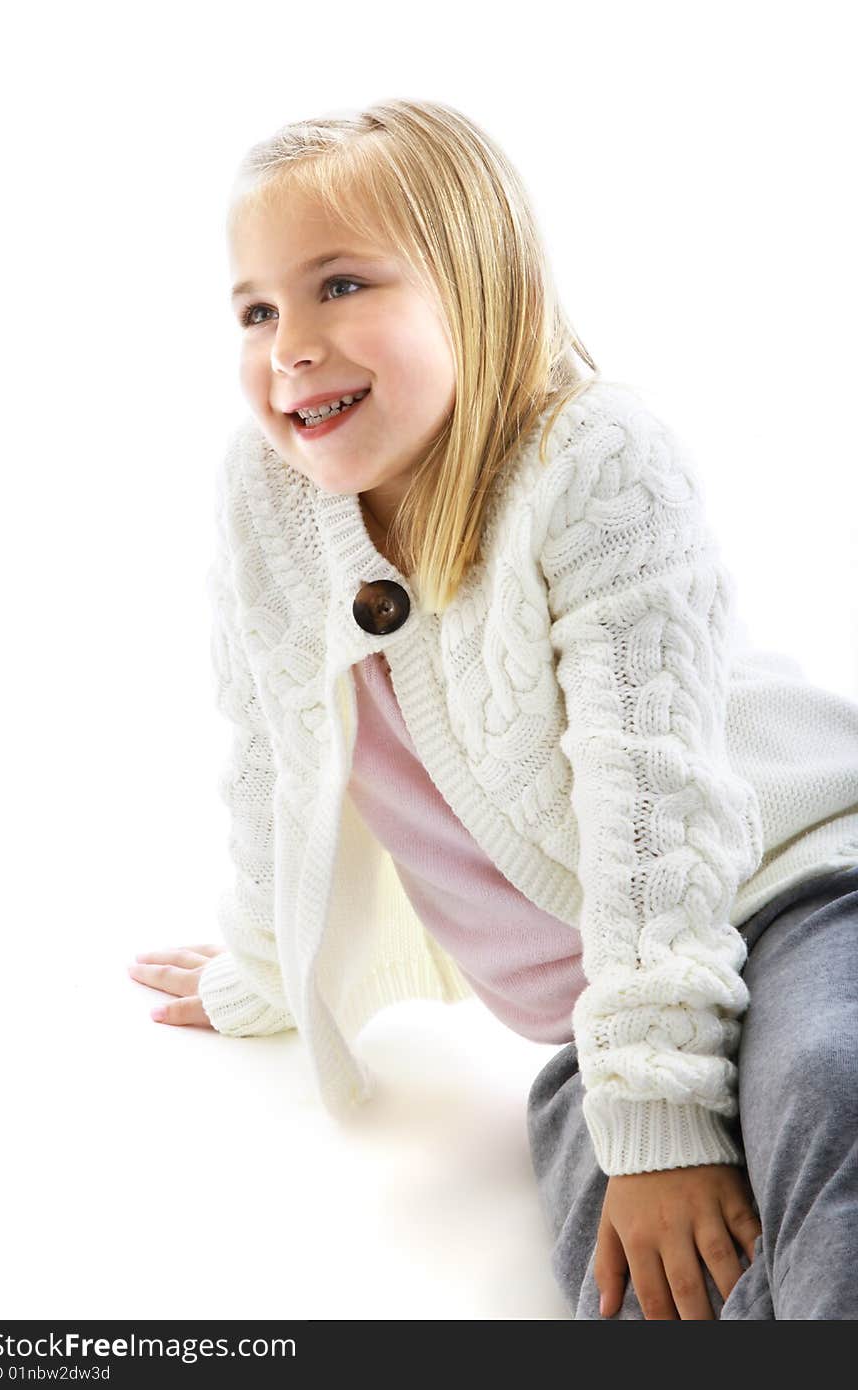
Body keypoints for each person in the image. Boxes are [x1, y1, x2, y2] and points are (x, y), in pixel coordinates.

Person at [127, 98, 858, 1319]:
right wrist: (267, 961)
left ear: (477, 286)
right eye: (256, 309)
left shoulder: (591, 459)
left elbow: (653, 804)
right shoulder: (267, 500)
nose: (288, 344)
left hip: (787, 892)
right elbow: (271, 760)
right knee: (654, 1292)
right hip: (600, 1011)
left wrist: (662, 1116)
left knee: (828, 1093)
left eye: (340, 284)